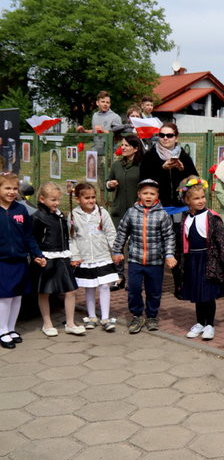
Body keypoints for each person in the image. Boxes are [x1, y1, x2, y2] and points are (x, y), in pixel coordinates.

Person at [112, 179, 177, 334]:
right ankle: (136, 315)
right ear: (139, 194)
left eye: (152, 194)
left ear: (157, 196)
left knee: (154, 291)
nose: (148, 196)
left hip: (155, 261)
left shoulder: (163, 215)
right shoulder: (131, 212)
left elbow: (169, 236)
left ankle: (152, 316)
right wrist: (117, 251)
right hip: (135, 260)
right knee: (133, 289)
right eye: (145, 193)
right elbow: (122, 232)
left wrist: (169, 255)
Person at [139, 123, 197, 296]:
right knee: (156, 246)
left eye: (169, 135)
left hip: (179, 207)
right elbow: (144, 182)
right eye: (162, 135)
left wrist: (182, 170)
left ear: (176, 137)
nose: (165, 138)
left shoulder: (183, 156)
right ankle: (153, 285)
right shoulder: (150, 155)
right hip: (158, 207)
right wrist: (161, 169)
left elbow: (194, 179)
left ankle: (180, 284)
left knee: (178, 246)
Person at [177, 177, 224, 341]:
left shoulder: (211, 217)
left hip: (208, 260)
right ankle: (200, 322)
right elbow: (182, 241)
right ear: (187, 200)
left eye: (202, 197)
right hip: (193, 260)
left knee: (207, 294)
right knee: (197, 294)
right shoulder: (185, 218)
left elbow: (221, 239)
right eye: (196, 198)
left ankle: (210, 325)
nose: (201, 201)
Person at [32, 182, 86, 337]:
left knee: (70, 290)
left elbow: (66, 237)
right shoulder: (37, 217)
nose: (56, 203)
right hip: (46, 258)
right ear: (42, 199)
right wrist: (37, 256)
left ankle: (70, 323)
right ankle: (47, 323)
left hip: (62, 256)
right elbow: (33, 239)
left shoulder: (60, 215)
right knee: (45, 291)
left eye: (58, 200)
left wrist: (71, 255)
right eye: (53, 200)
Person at [0, 173, 45, 349]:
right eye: (7, 188)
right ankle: (2, 330)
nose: (11, 192)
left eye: (14, 189)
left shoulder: (21, 209)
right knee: (4, 296)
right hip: (2, 262)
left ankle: (11, 328)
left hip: (19, 259)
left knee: (17, 295)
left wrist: (37, 254)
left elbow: (28, 236)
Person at [69, 183, 119, 332]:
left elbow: (111, 233)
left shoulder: (102, 213)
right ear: (78, 199)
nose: (91, 201)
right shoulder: (73, 215)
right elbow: (72, 238)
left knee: (104, 286)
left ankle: (105, 318)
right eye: (87, 198)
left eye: (93, 197)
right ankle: (92, 317)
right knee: (90, 288)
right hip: (85, 259)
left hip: (102, 256)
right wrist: (75, 256)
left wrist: (116, 251)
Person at [106, 134, 144, 291]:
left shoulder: (141, 165)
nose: (123, 148)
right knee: (118, 245)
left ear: (135, 148)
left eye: (127, 145)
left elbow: (147, 187)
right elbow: (107, 183)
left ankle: (135, 280)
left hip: (136, 211)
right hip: (118, 210)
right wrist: (110, 184)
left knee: (135, 246)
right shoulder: (116, 165)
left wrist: (141, 201)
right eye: (122, 145)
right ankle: (119, 277)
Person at [77, 90, 122, 158]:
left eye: (107, 102)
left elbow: (119, 136)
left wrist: (103, 131)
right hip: (96, 153)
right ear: (97, 103)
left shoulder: (115, 117)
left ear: (110, 104)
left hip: (110, 155)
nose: (105, 104)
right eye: (103, 102)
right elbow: (94, 131)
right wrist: (84, 131)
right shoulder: (95, 115)